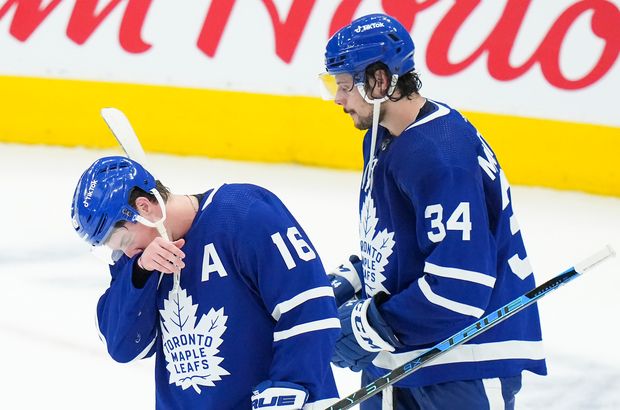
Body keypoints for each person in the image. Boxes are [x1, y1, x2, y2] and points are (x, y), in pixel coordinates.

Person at [320, 13, 547, 409]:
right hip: (400, 357)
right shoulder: (383, 135)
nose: (338, 99)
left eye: (344, 86)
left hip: (463, 361)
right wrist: (351, 281)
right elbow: (401, 242)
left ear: (379, 81)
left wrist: (367, 327)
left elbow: (459, 289)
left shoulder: (441, 154)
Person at [70, 156, 341, 409]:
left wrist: (288, 388)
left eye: (125, 242)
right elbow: (122, 347)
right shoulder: (137, 260)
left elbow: (311, 308)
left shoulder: (243, 213)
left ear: (144, 207)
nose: (127, 254)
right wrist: (140, 274)